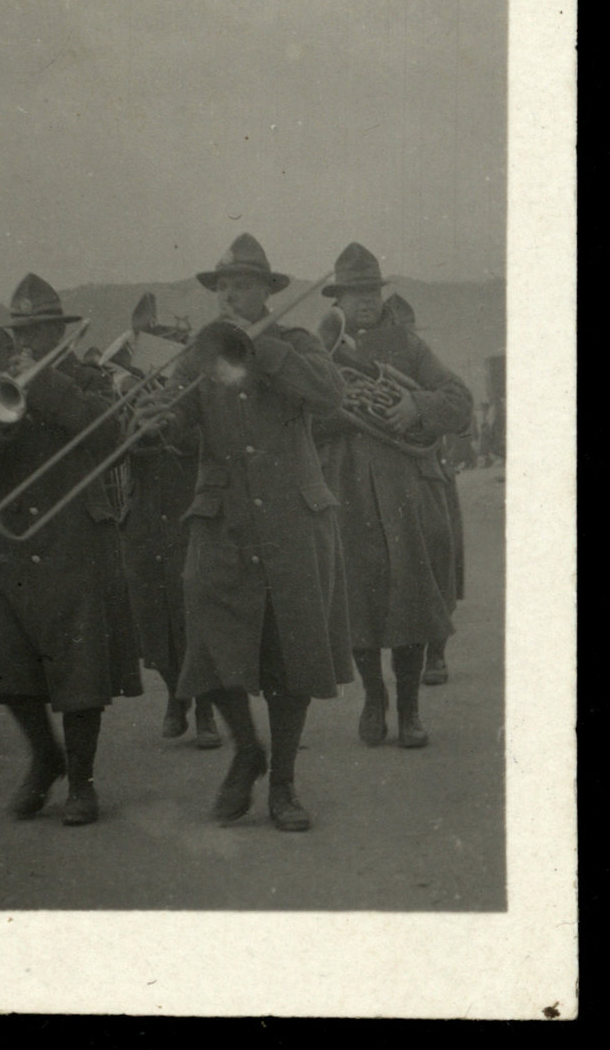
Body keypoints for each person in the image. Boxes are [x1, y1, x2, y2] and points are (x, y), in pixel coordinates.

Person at [133, 235, 353, 832]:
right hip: (223, 519)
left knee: (290, 652)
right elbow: (181, 419)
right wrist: (160, 423)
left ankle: (282, 783)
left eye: (244, 284)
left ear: (268, 291)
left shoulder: (296, 343)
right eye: (224, 285)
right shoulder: (201, 353)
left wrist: (265, 349)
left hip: (291, 518)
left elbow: (332, 396)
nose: (232, 293)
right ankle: (246, 751)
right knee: (209, 636)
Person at [0, 274, 142, 827]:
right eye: (23, 332)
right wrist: (0, 419)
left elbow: (107, 436)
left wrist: (47, 383)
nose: (30, 340)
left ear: (61, 331)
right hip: (9, 545)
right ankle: (45, 757)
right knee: (9, 670)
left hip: (75, 538)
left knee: (81, 672)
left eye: (41, 330)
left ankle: (81, 780)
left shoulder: (88, 378)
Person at [314, 245, 474, 748]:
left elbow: (460, 401)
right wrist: (338, 410)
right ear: (338, 298)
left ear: (380, 295)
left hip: (407, 490)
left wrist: (415, 404)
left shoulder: (408, 345)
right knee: (358, 603)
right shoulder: (319, 349)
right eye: (352, 292)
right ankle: (373, 697)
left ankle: (408, 709)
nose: (363, 301)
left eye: (369, 291)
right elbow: (302, 419)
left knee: (411, 601)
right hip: (348, 489)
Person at [114, 305, 221, 749]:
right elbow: (118, 451)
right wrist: (138, 417)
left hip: (187, 514)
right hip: (142, 520)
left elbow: (206, 442)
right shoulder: (129, 392)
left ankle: (206, 710)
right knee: (150, 617)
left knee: (193, 616)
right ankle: (176, 693)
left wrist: (173, 421)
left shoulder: (200, 392)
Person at [383, 295, 467, 688]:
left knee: (440, 560)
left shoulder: (427, 363)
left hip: (434, 474)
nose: (406, 333)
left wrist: (419, 404)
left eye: (409, 325)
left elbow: (460, 413)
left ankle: (437, 653)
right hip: (395, 478)